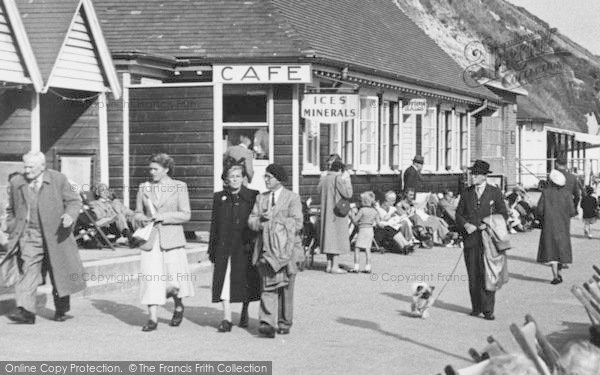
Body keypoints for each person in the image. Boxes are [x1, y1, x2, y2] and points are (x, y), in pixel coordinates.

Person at [1, 151, 85, 324]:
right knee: (28, 270)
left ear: (42, 166)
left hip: (55, 235)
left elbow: (74, 202)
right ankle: (26, 312)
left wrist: (69, 216)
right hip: (29, 234)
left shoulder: (58, 179)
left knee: (58, 272)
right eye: (24, 166)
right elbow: (10, 208)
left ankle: (61, 308)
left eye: (30, 167)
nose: (26, 170)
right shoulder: (17, 182)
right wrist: (10, 225)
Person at [134, 153, 195, 331]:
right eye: (150, 169)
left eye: (155, 169)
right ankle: (152, 318)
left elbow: (186, 214)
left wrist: (163, 217)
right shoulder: (144, 187)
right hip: (151, 239)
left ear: (166, 169)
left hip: (172, 239)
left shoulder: (179, 187)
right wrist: (141, 219)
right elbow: (137, 212)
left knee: (174, 281)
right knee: (150, 277)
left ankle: (178, 304)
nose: (151, 172)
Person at [248, 164, 303, 338]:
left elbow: (297, 223)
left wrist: (274, 221)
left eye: (268, 177)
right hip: (266, 249)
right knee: (267, 285)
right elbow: (251, 221)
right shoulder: (261, 199)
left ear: (278, 179)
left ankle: (284, 322)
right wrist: (262, 222)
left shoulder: (292, 198)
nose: (265, 180)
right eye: (265, 176)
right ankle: (267, 323)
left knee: (286, 286)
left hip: (287, 250)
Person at [208, 162, 260, 332]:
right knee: (224, 280)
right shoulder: (219, 197)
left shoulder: (253, 196)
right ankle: (227, 318)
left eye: (238, 176)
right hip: (224, 245)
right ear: (226, 179)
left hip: (244, 245)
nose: (235, 180)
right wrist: (212, 248)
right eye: (232, 177)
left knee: (245, 280)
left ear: (243, 178)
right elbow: (214, 224)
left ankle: (245, 311)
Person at [456, 159, 507, 320]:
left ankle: (488, 310)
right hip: (471, 240)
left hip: (488, 241)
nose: (473, 176)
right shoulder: (467, 192)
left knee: (487, 274)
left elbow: (503, 214)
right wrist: (465, 225)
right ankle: (476, 307)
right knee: (473, 274)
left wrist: (488, 223)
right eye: (472, 173)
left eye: (476, 174)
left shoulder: (494, 192)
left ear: (484, 176)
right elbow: (458, 214)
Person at [536, 169, 576, 285]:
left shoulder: (545, 193)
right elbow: (572, 211)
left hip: (549, 226)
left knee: (551, 251)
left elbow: (539, 210)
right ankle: (559, 273)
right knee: (561, 250)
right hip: (563, 226)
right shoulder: (567, 194)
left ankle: (555, 276)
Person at [318, 158, 353, 273]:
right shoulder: (338, 178)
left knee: (328, 237)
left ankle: (328, 265)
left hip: (325, 211)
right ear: (340, 170)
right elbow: (348, 194)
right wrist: (347, 181)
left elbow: (319, 191)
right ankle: (335, 266)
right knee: (337, 237)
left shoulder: (324, 178)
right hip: (337, 212)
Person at [349, 191, 379, 273]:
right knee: (367, 249)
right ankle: (368, 267)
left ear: (364, 201)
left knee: (357, 248)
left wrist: (351, 214)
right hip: (370, 230)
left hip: (362, 229)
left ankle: (356, 266)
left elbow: (355, 220)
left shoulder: (362, 210)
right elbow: (378, 223)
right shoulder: (375, 211)